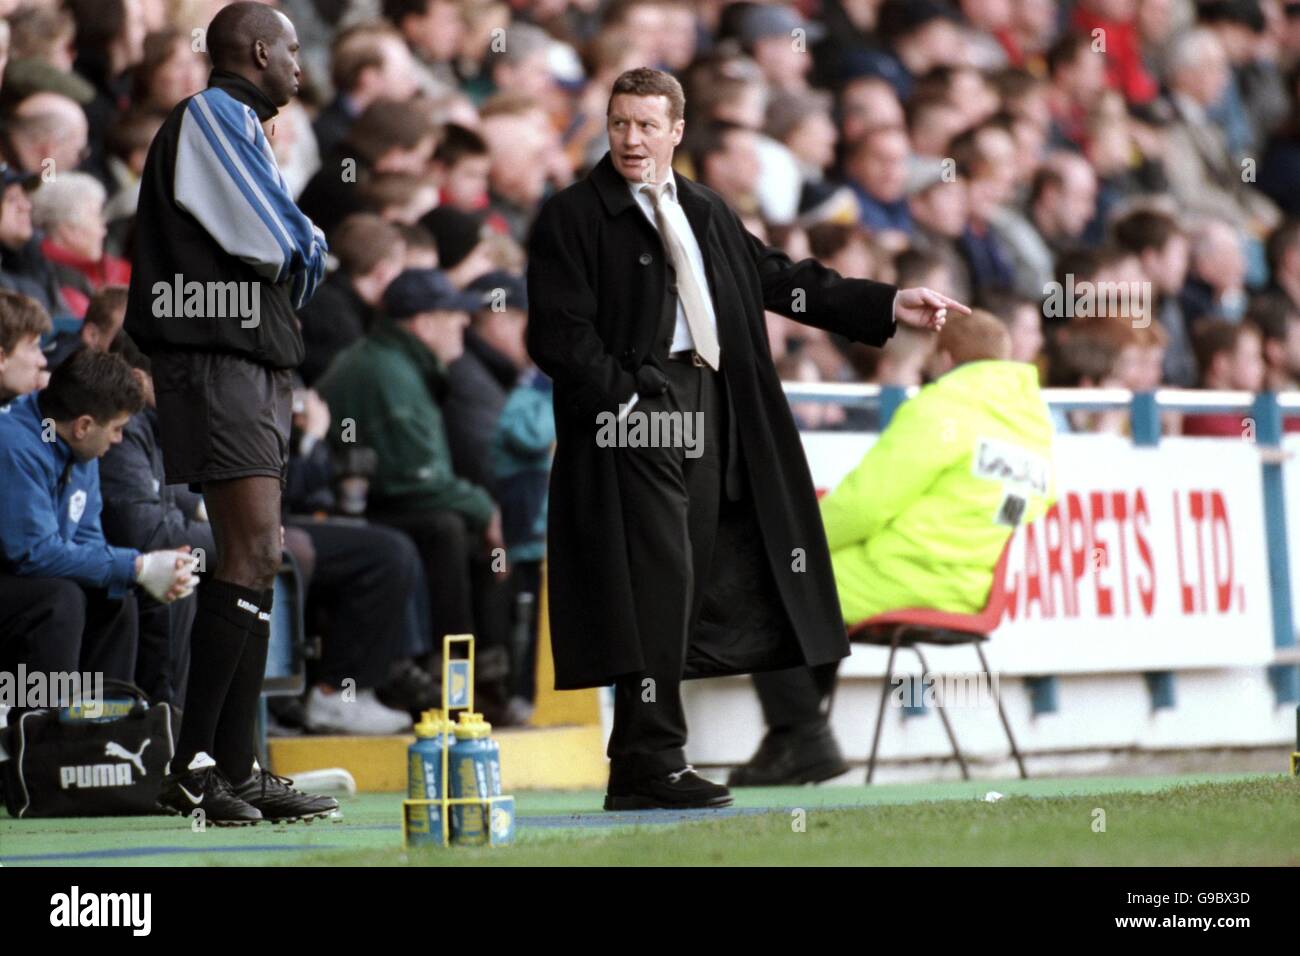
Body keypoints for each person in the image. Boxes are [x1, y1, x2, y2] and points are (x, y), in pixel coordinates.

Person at [526, 67, 966, 810]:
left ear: (676, 133)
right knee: (658, 581)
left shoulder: (704, 208)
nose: (631, 138)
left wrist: (886, 302)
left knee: (686, 583)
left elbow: (780, 280)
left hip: (713, 406)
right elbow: (557, 333)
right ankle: (651, 759)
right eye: (619, 123)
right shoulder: (572, 216)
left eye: (645, 125)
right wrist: (627, 398)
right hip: (640, 409)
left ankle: (644, 763)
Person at [123, 2, 334, 825]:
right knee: (248, 549)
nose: (297, 66)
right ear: (256, 50)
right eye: (289, 51)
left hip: (246, 361)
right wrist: (311, 250)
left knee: (261, 550)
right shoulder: (215, 113)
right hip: (218, 362)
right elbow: (284, 244)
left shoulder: (241, 121)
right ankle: (194, 768)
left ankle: (236, 768)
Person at [731, 310, 1055, 785]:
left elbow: (866, 504)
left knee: (770, 581)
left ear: (945, 358)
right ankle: (790, 746)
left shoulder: (941, 408)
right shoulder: (1032, 425)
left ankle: (801, 734)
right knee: (811, 598)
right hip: (969, 587)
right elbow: (1026, 507)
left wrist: (793, 540)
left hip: (903, 576)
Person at [0, 348, 197, 684]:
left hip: (28, 576)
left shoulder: (81, 452)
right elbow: (33, 554)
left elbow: (87, 540)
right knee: (61, 599)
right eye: (117, 428)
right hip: (14, 576)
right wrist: (138, 566)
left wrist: (138, 575)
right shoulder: (14, 443)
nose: (119, 439)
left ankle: (106, 721)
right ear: (84, 426)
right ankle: (46, 725)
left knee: (116, 596)